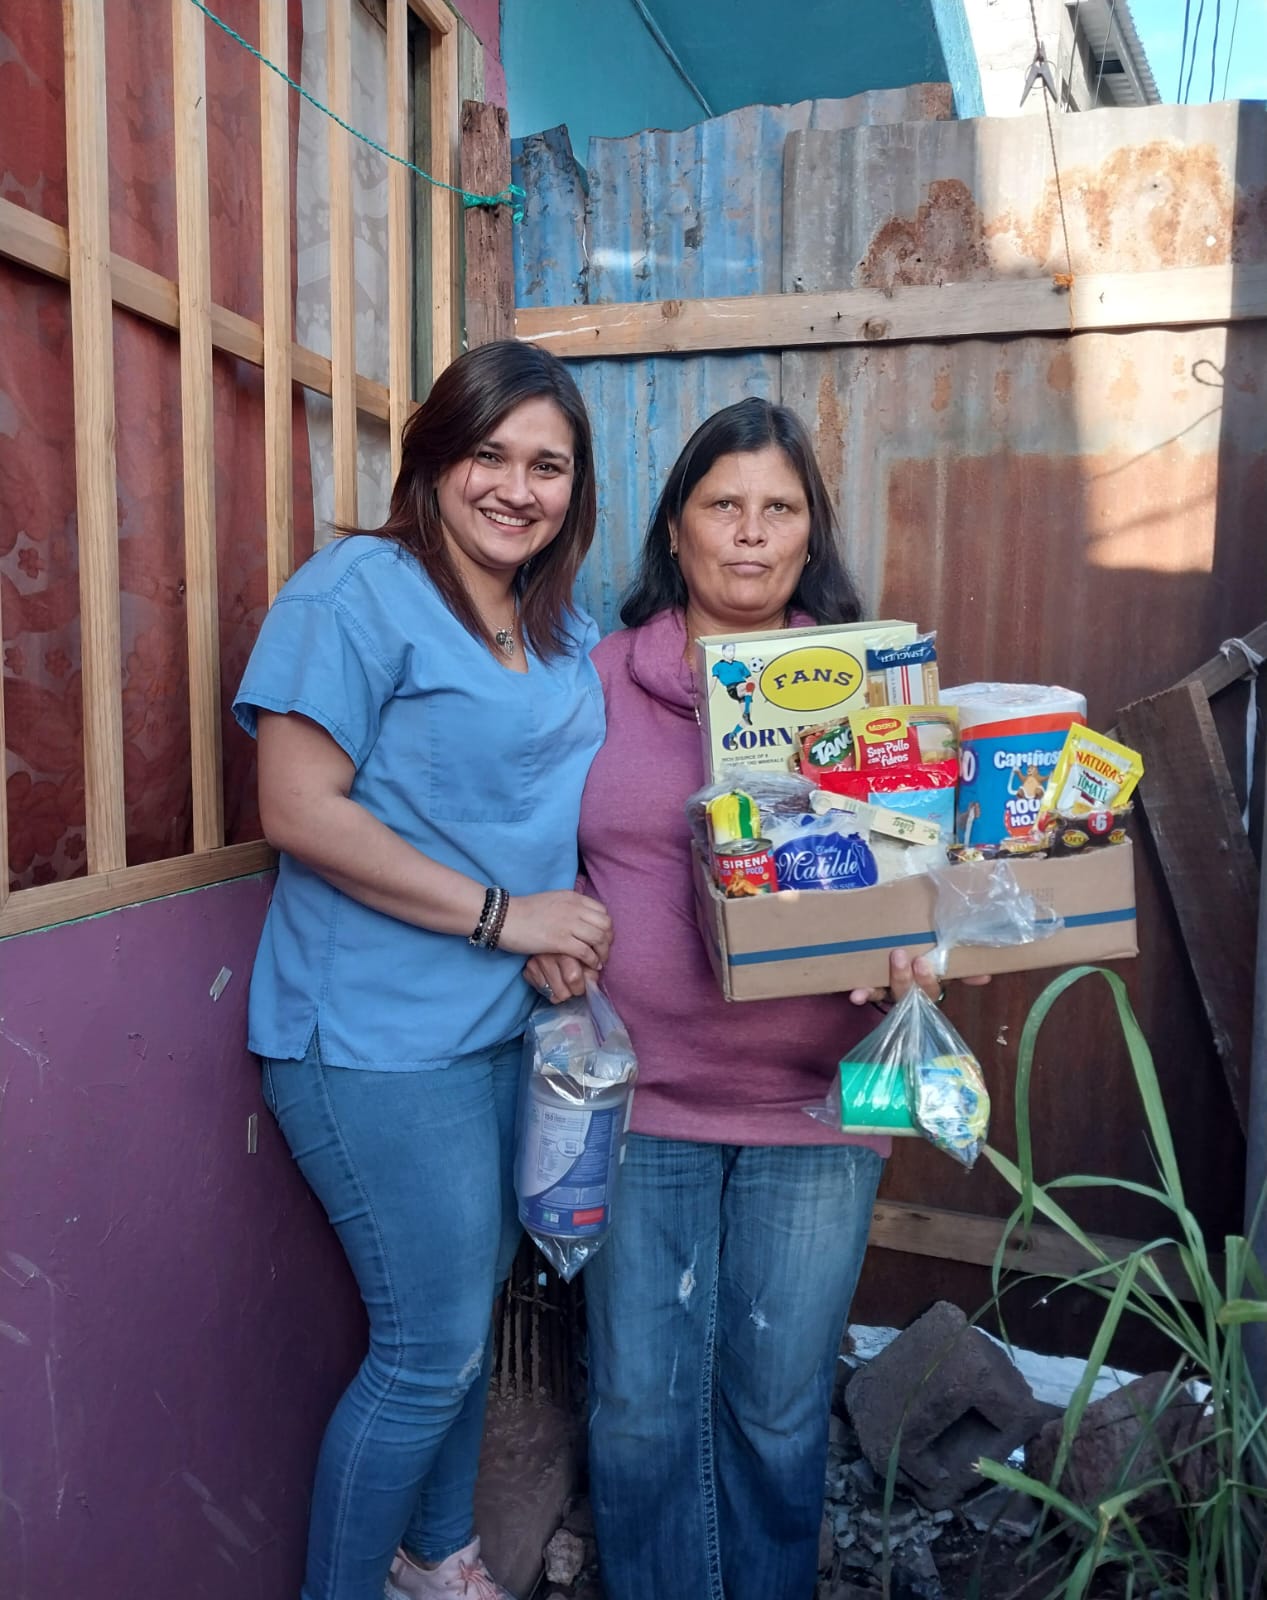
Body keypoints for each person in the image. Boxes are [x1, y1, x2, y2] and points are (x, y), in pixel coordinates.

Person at [527, 397, 986, 1600]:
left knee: (777, 1409)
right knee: (635, 1409)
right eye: (721, 505)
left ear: (806, 534)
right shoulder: (592, 683)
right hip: (640, 1106)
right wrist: (544, 924)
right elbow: (532, 839)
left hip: (815, 1105)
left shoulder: (873, 687)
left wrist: (923, 938)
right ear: (674, 529)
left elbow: (932, 863)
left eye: (776, 508)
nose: (747, 533)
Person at [232, 340, 612, 1600]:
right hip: (372, 1041)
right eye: (488, 454)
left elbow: (553, 809)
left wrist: (563, 935)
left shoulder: (556, 623)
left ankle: (437, 1556)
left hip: (500, 1034)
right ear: (435, 458)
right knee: (427, 1349)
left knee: (459, 1339)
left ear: (577, 487)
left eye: (547, 465)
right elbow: (297, 805)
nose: (517, 487)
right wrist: (512, 917)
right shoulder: (356, 590)